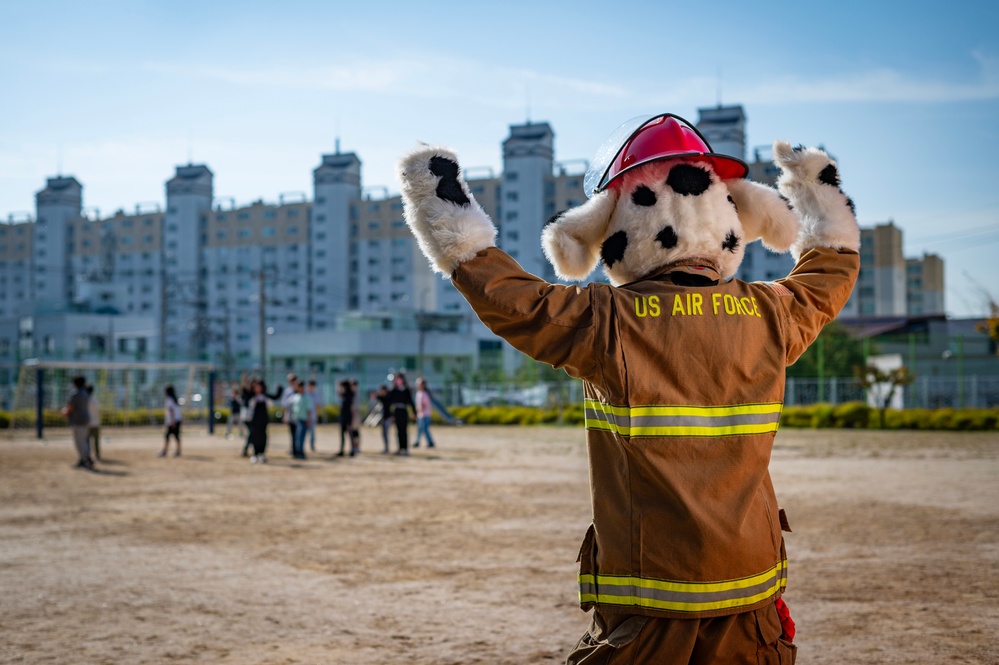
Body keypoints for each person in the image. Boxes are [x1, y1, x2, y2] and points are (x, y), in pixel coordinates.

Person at [397, 124, 859, 662]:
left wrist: (448, 213)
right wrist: (819, 196)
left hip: (649, 596)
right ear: (729, 217)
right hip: (749, 589)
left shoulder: (608, 319)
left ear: (616, 227)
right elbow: (831, 267)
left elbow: (514, 302)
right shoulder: (771, 313)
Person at [62, 375, 93, 469]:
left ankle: (84, 460)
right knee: (83, 441)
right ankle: (86, 458)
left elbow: (70, 407)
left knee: (79, 442)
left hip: (78, 420)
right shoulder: (86, 393)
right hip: (86, 419)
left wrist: (64, 412)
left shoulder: (75, 393)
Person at [387, 373, 416, 456]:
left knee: (404, 431)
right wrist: (390, 414)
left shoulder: (406, 390)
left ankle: (405, 448)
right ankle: (400, 448)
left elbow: (410, 402)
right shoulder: (393, 390)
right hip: (396, 411)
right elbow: (388, 403)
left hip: (404, 411)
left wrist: (414, 412)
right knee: (398, 431)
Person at [246, 380, 273, 464]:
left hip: (263, 420)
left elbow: (271, 403)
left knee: (263, 436)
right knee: (255, 436)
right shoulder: (252, 397)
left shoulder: (265, 397)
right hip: (254, 420)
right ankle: (255, 453)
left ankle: (262, 453)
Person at [288, 380, 311, 460]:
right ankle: (296, 452)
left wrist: (308, 419)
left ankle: (301, 452)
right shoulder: (294, 397)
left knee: (301, 437)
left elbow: (309, 410)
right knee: (296, 437)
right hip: (295, 419)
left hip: (303, 419)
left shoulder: (306, 397)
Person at [158, 385, 182, 457]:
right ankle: (178, 450)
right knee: (176, 436)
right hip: (177, 420)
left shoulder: (169, 400)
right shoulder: (174, 399)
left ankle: (165, 451)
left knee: (167, 436)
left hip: (173, 421)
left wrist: (172, 422)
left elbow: (171, 412)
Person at [413, 378, 435, 449]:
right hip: (420, 414)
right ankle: (417, 442)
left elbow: (426, 404)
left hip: (425, 414)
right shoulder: (418, 393)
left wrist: (421, 408)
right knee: (419, 429)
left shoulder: (425, 393)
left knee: (425, 429)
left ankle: (430, 442)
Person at [281, 374, 298, 455]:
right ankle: (293, 449)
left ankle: (298, 449)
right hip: (290, 415)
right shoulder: (287, 391)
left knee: (298, 433)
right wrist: (285, 416)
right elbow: (285, 405)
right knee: (292, 433)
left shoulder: (299, 390)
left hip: (299, 415)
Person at [375, 385, 393, 454]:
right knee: (383, 433)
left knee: (386, 433)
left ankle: (387, 448)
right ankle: (386, 447)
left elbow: (385, 402)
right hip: (383, 418)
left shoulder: (388, 398)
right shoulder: (383, 398)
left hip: (387, 418)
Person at [86, 384, 102, 461]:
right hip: (96, 423)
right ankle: (97, 454)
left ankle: (88, 455)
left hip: (87, 424)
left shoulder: (85, 400)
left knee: (87, 441)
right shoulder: (95, 400)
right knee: (96, 441)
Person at [306, 380, 320, 452]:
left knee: (312, 433)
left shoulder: (316, 395)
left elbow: (317, 406)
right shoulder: (305, 394)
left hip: (313, 417)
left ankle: (312, 445)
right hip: (304, 417)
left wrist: (316, 415)